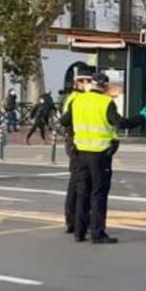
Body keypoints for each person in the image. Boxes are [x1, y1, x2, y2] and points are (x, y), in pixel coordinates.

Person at [58, 73, 146, 243]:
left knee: (82, 193)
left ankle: (79, 232)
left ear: (91, 85)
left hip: (80, 153)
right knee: (98, 193)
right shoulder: (106, 102)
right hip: (99, 154)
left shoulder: (77, 100)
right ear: (105, 86)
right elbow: (120, 123)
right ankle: (97, 233)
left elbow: (64, 121)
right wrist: (141, 118)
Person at [59, 68, 95, 233]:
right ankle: (73, 220)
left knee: (81, 182)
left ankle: (78, 220)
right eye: (87, 82)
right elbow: (66, 121)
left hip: (81, 143)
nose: (90, 85)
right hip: (76, 143)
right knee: (77, 183)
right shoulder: (75, 98)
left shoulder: (79, 97)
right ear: (79, 83)